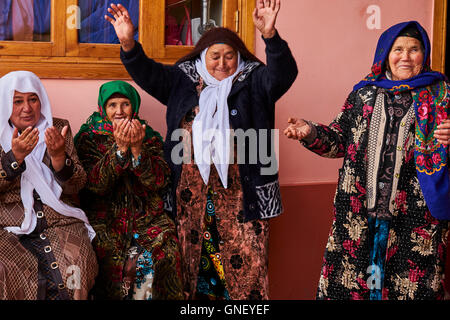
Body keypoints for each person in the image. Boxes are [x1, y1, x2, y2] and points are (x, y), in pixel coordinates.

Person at [105, 0, 297, 299]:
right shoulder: (183, 78)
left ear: (239, 57)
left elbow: (284, 75)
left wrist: (270, 36)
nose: (222, 63)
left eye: (229, 56)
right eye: (215, 56)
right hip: (191, 197)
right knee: (195, 272)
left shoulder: (255, 79)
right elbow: (148, 73)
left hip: (242, 198)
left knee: (248, 271)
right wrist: (129, 43)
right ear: (203, 57)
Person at [284, 21, 450, 300]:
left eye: (414, 49)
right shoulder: (364, 94)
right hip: (358, 215)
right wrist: (309, 131)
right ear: (385, 54)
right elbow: (338, 141)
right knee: (352, 288)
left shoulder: (441, 95)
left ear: (425, 54)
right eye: (398, 49)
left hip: (415, 218)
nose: (406, 57)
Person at [74, 80, 184, 300]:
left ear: (134, 107)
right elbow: (94, 184)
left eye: (124, 104)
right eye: (112, 105)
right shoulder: (89, 137)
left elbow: (160, 181)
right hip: (104, 217)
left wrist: (137, 150)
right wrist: (119, 150)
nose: (119, 111)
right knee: (108, 255)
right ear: (102, 108)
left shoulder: (149, 135)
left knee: (164, 253)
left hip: (147, 217)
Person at [0, 70, 97, 300]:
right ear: (4, 102)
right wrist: (14, 158)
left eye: (33, 99)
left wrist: (58, 158)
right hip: (6, 226)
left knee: (77, 268)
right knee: (6, 272)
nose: (27, 107)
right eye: (17, 101)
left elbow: (78, 185)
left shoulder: (58, 128)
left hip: (59, 221)